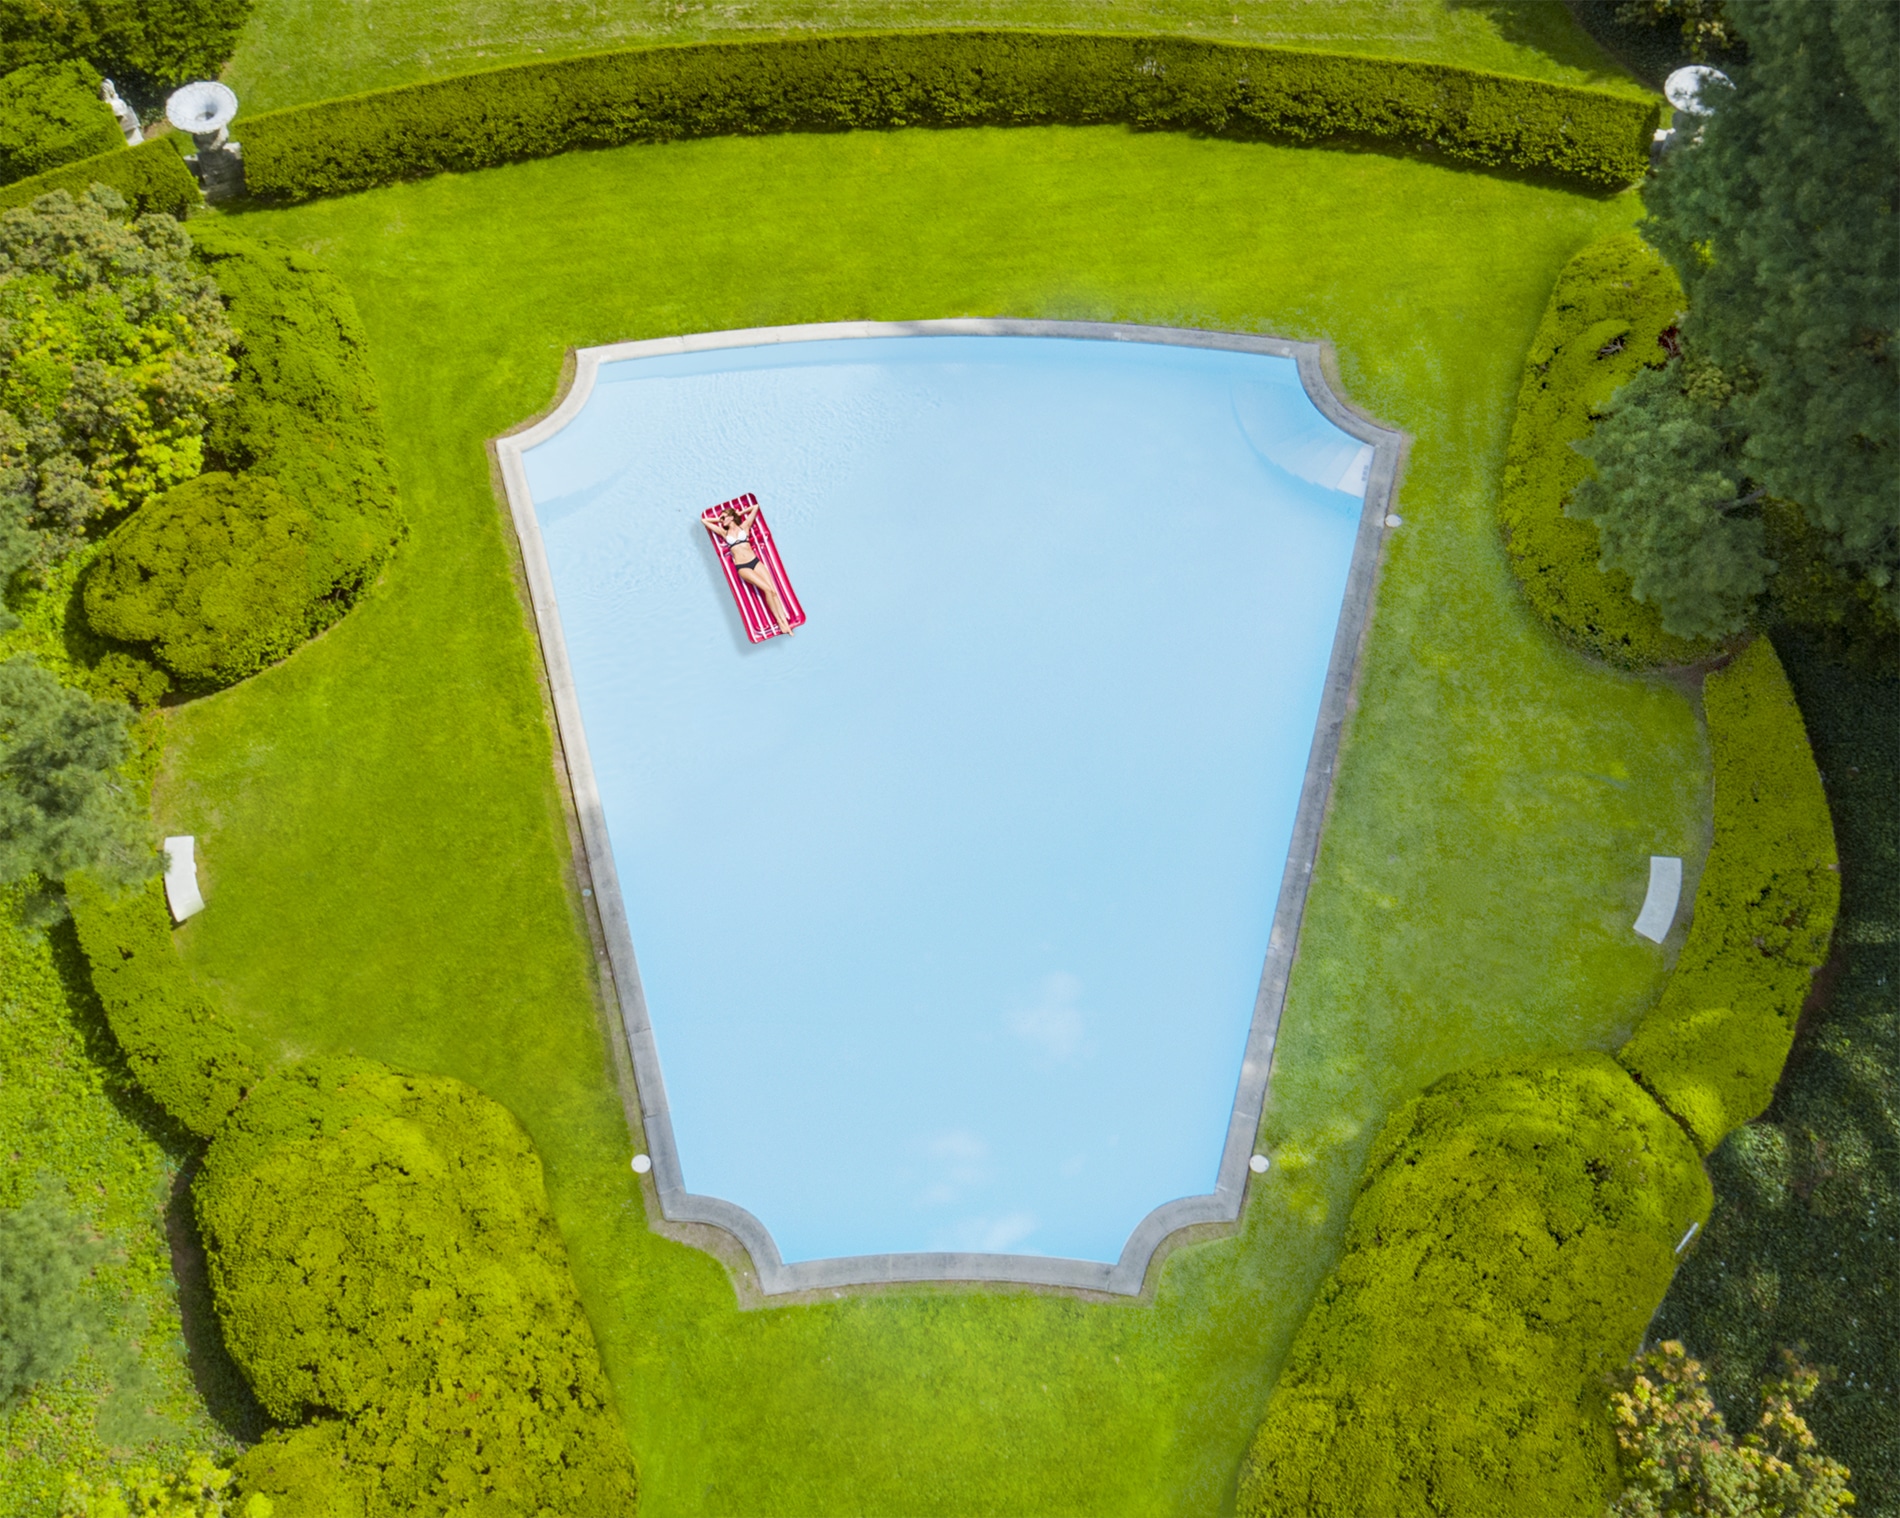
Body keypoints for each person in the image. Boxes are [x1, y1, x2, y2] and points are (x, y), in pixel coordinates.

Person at [705, 502, 795, 636]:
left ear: (731, 516)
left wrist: (738, 514)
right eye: (721, 519)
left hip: (755, 562)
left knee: (773, 591)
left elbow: (755, 507)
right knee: (766, 589)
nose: (721, 521)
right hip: (743, 566)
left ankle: (785, 623)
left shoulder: (744, 527)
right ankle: (780, 623)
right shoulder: (724, 532)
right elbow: (704, 520)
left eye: (723, 517)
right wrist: (720, 519)